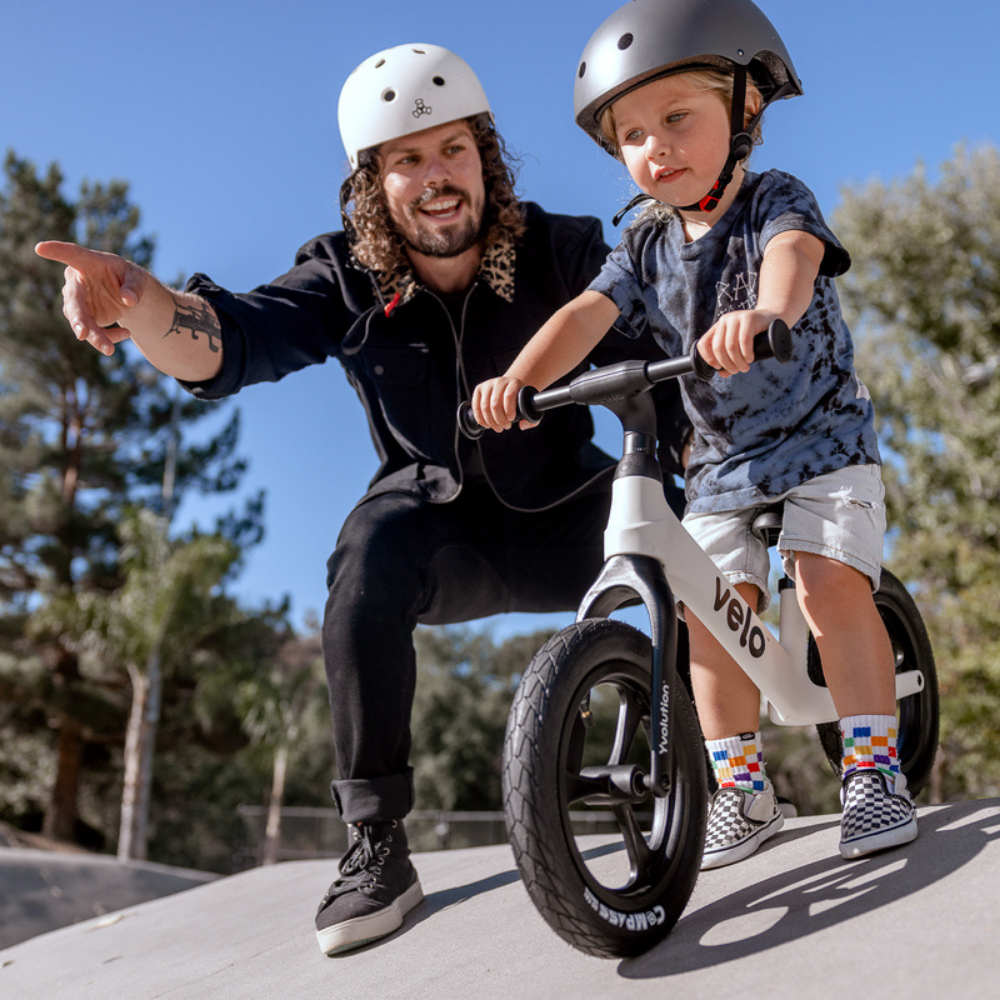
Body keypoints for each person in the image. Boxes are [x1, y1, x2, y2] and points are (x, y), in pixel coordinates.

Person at [35, 43, 688, 953]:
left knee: (689, 516)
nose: (436, 179)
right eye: (407, 161)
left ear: (486, 158)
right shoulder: (350, 275)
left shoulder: (564, 249)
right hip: (436, 532)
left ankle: (718, 773)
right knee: (366, 553)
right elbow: (228, 341)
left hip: (570, 517)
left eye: (452, 151)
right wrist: (140, 301)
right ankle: (377, 848)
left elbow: (667, 330)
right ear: (374, 184)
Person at [473, 0, 917, 871]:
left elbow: (795, 260)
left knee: (825, 582)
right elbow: (586, 312)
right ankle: (742, 790)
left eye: (677, 118)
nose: (656, 147)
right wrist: (520, 379)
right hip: (721, 466)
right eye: (632, 135)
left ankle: (872, 769)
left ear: (745, 109)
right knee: (709, 619)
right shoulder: (642, 242)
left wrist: (763, 313)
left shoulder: (774, 200)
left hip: (822, 442)